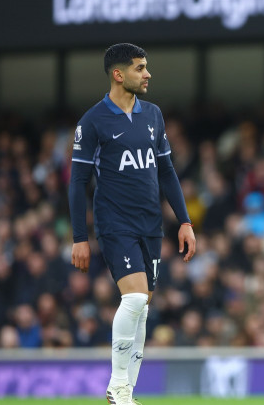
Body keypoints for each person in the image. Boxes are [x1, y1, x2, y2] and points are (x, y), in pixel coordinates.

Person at [68, 43, 196, 405]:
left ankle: (126, 394)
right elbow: (77, 182)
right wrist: (80, 237)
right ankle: (118, 386)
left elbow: (167, 171)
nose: (148, 74)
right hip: (115, 223)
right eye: (140, 68)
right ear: (118, 74)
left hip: (151, 226)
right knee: (136, 297)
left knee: (142, 308)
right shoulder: (92, 122)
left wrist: (184, 221)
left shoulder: (153, 114)